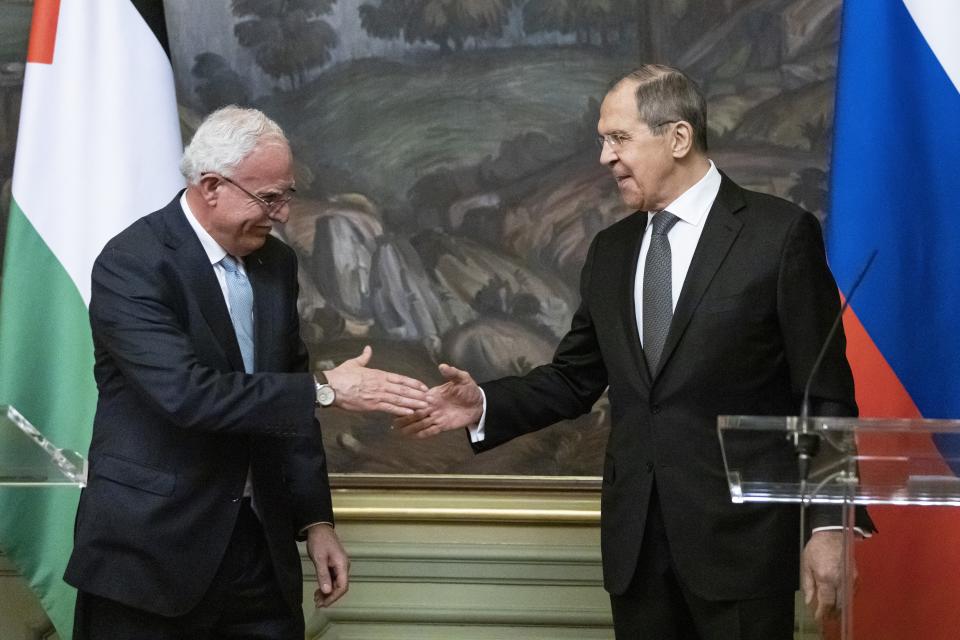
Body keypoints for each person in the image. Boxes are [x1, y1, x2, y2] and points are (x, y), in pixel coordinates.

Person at [395, 65, 873, 639]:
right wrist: (484, 407)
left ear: (678, 137)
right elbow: (574, 379)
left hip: (741, 549)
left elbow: (823, 397)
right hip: (638, 551)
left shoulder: (778, 235)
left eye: (618, 138)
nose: (604, 157)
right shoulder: (611, 250)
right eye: (603, 140)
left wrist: (828, 525)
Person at [64, 106, 429, 639]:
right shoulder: (133, 263)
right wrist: (326, 390)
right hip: (150, 556)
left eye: (287, 196)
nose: (281, 214)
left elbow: (286, 400)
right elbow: (188, 395)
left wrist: (315, 521)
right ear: (211, 186)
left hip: (260, 553)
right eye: (269, 197)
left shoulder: (274, 265)